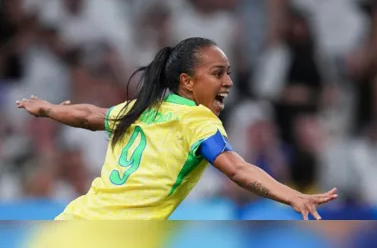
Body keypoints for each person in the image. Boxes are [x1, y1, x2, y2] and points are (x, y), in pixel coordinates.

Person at [16, 37, 337, 220]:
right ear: (187, 81)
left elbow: (89, 115)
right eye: (218, 73)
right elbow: (237, 169)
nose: (229, 82)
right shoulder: (197, 120)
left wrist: (48, 109)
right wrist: (293, 196)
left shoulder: (142, 108)